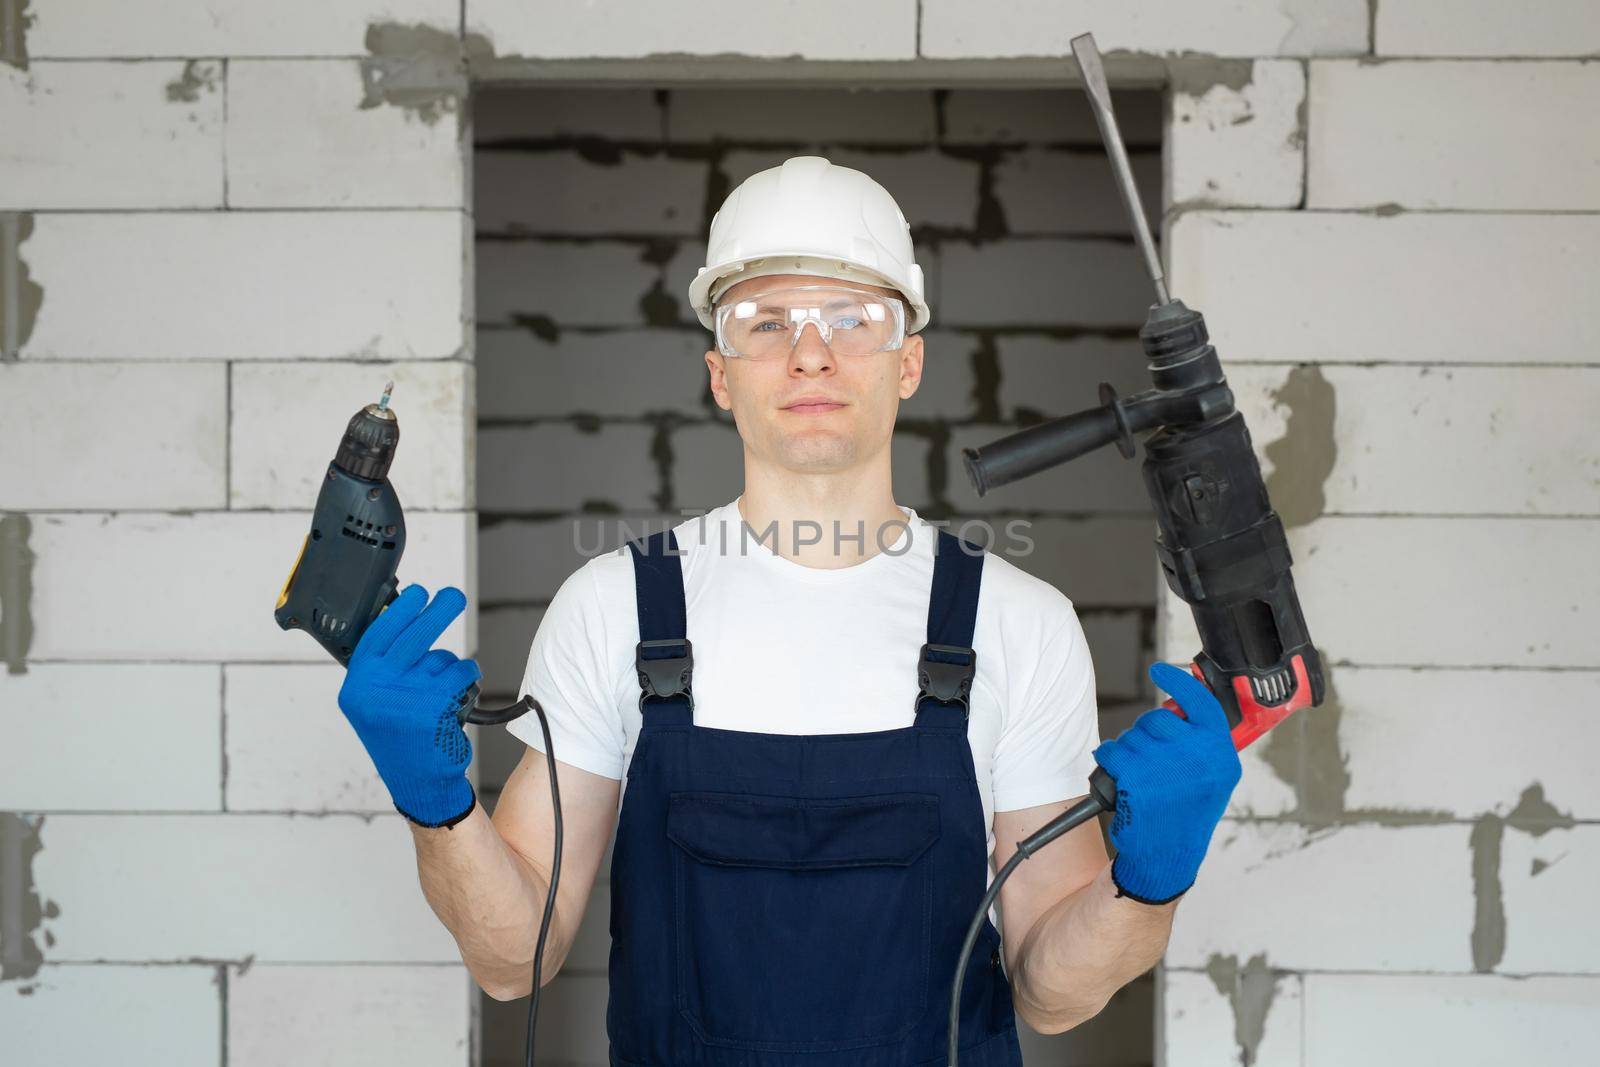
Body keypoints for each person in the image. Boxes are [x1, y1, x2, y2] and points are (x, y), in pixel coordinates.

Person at [337, 155, 1242, 1064]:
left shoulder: (1018, 622)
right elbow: (513, 962)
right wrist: (437, 806)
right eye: (764, 322)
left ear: (909, 362)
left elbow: (1051, 993)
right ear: (721, 374)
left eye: (855, 318)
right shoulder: (611, 607)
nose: (811, 351)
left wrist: (1147, 883)